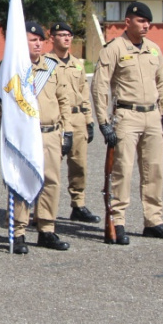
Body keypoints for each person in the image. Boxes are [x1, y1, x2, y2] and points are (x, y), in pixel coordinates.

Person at [91, 2, 163, 244]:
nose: (146, 25)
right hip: (126, 117)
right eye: (141, 21)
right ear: (127, 22)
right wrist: (103, 122)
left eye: (148, 22)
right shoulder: (114, 48)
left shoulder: (153, 49)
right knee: (123, 171)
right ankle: (117, 222)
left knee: (154, 170)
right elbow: (100, 86)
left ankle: (154, 220)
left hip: (152, 116)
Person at [10, 22, 73, 253]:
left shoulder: (51, 67)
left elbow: (63, 99)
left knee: (51, 182)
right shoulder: (14, 68)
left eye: (40, 40)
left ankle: (47, 229)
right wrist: (6, 126)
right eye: (32, 40)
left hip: (50, 133)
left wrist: (66, 131)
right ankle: (19, 232)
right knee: (23, 183)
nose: (37, 43)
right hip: (26, 136)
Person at [47, 22, 100, 224]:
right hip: (57, 119)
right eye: (61, 35)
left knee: (79, 165)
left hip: (77, 118)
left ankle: (78, 204)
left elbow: (84, 95)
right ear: (52, 38)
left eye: (69, 35)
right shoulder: (46, 63)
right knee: (51, 167)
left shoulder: (78, 64)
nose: (67, 38)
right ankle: (43, 208)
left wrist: (89, 120)